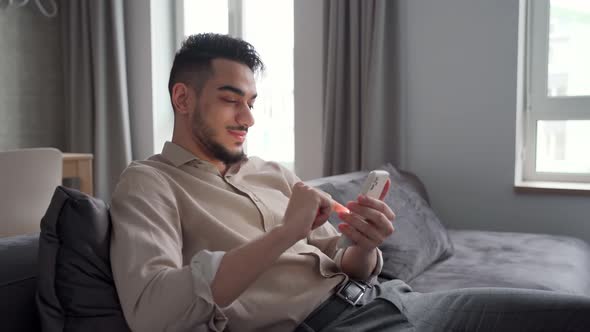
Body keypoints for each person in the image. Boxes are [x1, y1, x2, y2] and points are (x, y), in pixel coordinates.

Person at [110, 33, 590, 332]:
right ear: (182, 97)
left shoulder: (272, 174)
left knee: (575, 313)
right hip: (332, 325)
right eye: (231, 100)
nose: (248, 118)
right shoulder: (149, 183)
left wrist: (364, 245)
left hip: (394, 300)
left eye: (252, 102)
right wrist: (284, 234)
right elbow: (152, 312)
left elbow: (347, 264)